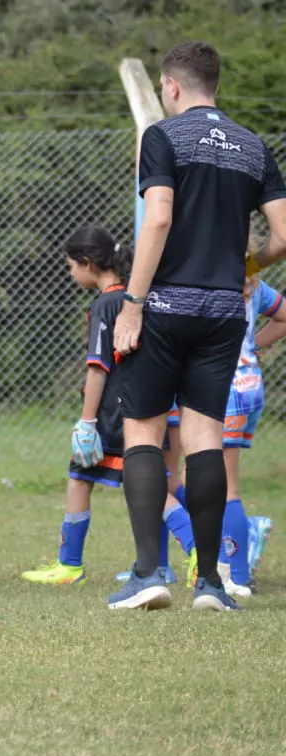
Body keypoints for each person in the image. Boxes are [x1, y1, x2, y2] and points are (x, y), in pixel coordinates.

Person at [110, 41, 286, 612]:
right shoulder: (253, 146)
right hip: (221, 311)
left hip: (163, 304)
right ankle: (210, 582)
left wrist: (133, 301)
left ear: (172, 86)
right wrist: (248, 269)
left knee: (144, 432)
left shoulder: (162, 137)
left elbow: (158, 215)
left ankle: (147, 574)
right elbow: (284, 234)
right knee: (205, 440)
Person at [23, 227, 192, 585]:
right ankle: (191, 558)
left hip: (116, 413)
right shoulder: (137, 298)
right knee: (87, 477)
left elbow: (98, 367)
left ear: (88, 263)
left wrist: (87, 422)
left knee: (137, 485)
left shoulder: (106, 305)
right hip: (149, 404)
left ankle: (199, 555)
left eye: (71, 266)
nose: (70, 274)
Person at [217, 250, 286, 597]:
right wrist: (252, 347)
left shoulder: (207, 277)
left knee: (223, 484)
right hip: (250, 385)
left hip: (224, 388)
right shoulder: (252, 282)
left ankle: (238, 574)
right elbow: (284, 315)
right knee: (207, 476)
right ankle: (228, 550)